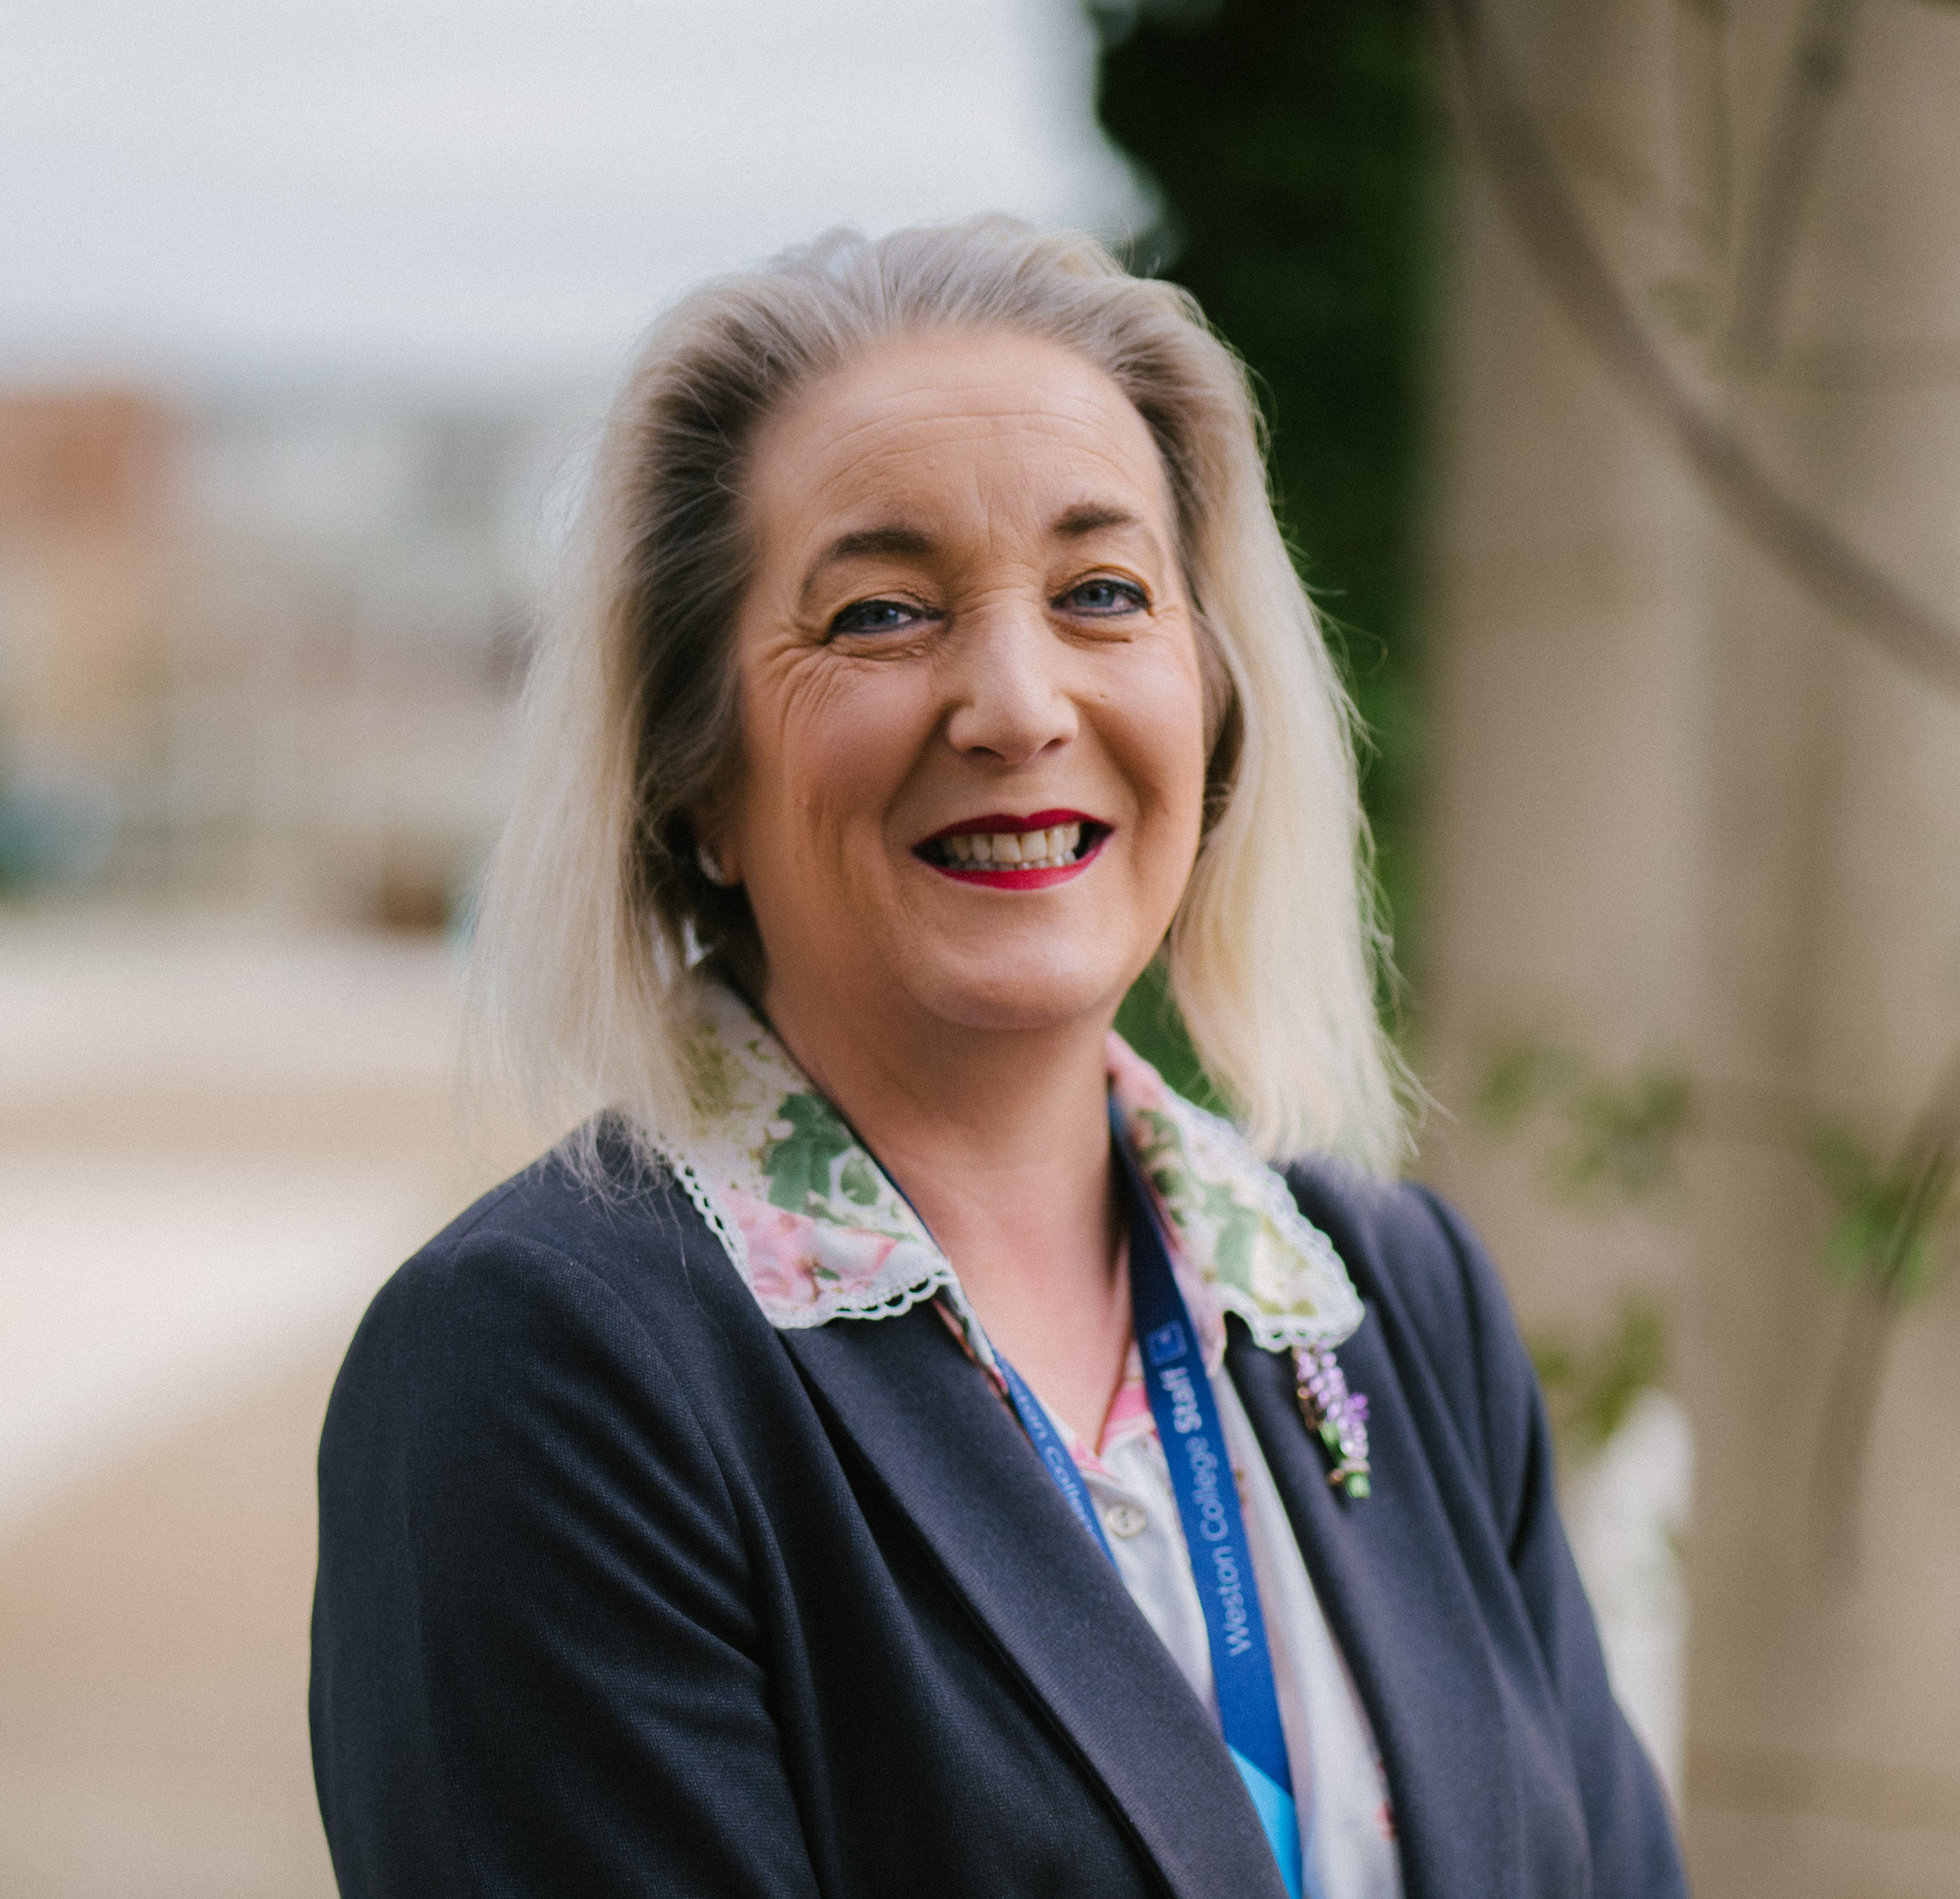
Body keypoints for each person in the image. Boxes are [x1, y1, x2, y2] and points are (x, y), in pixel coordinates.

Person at [310, 218, 1686, 1899]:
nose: (1017, 705)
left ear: (1213, 701)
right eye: (881, 614)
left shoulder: (1382, 1295)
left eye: (1102, 593)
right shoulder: (554, 1365)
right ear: (690, 775)